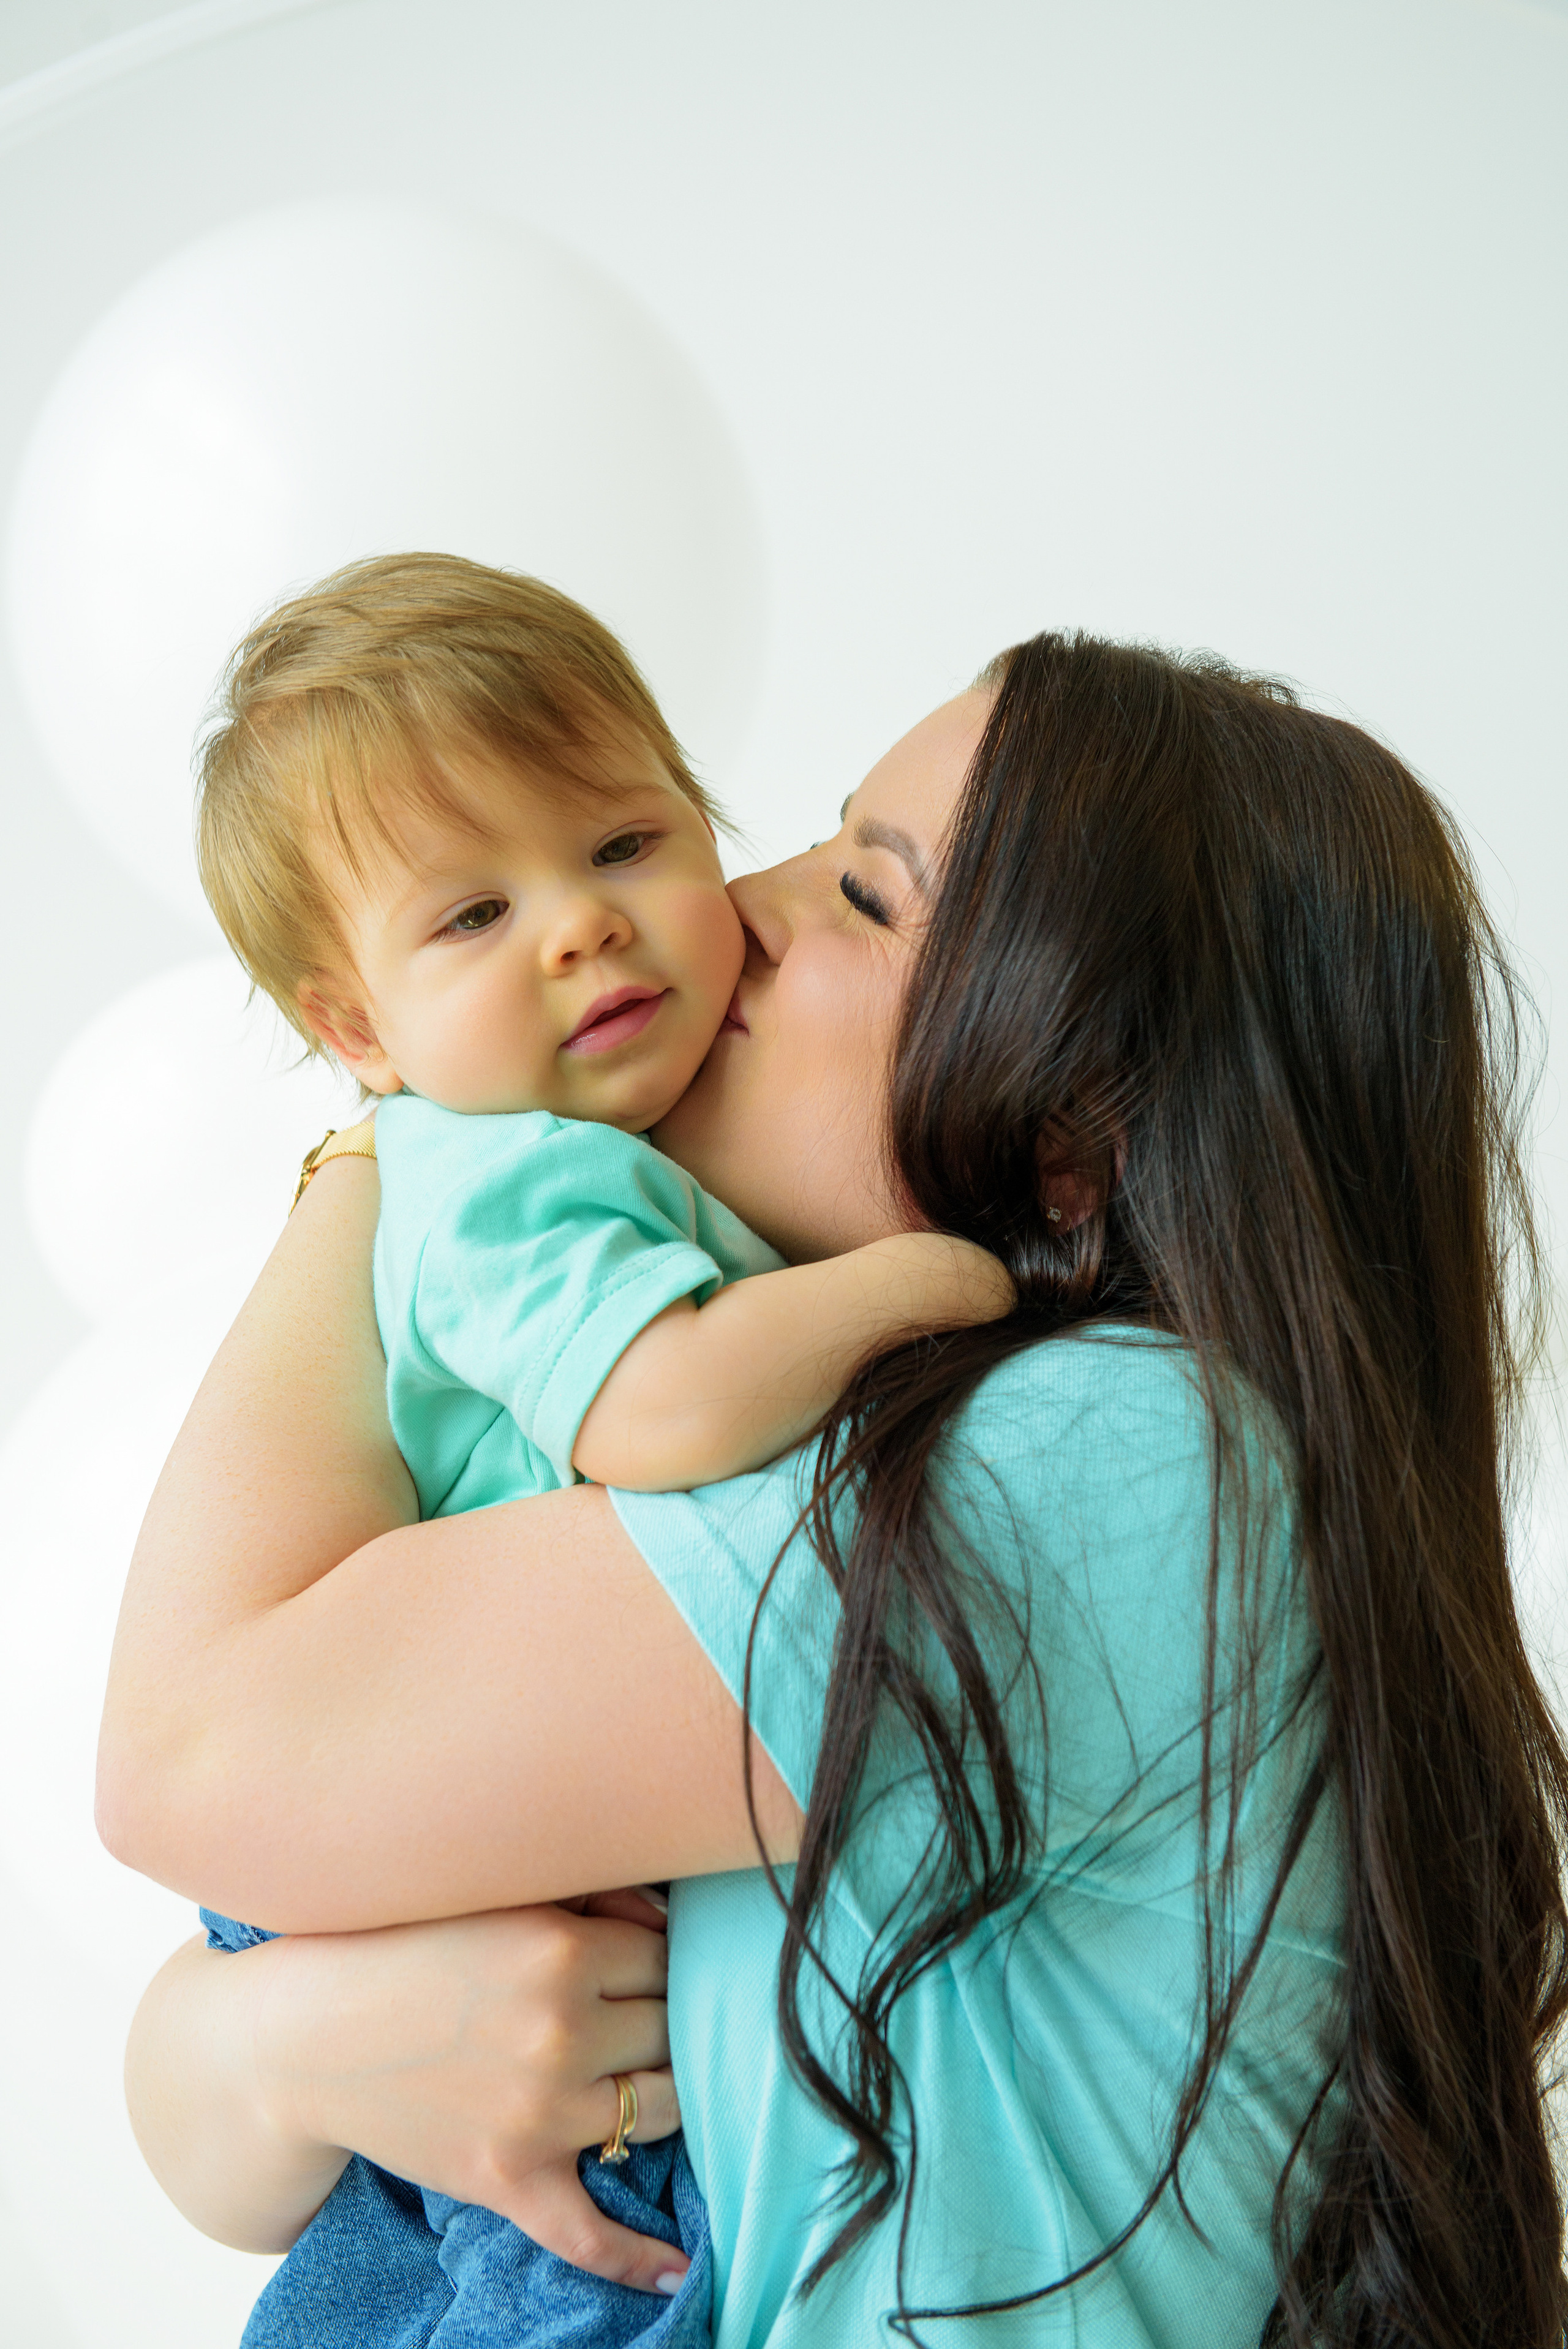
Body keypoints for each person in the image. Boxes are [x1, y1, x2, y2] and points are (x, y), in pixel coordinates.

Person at [102, 635, 1568, 2348]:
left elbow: (193, 1751)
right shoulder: (835, 1436)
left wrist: (411, 1109)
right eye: (813, 835)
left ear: (1073, 1138)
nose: (744, 901)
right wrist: (276, 2044)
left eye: (867, 897)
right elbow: (217, 2103)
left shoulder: (1128, 1461)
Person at [178, 551, 1012, 2346]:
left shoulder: (625, 1160)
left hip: (453, 1837)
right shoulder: (503, 1174)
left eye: (625, 844)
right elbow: (671, 1401)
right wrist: (921, 1280)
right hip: (426, 1857)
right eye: (471, 917)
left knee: (427, 2262)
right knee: (592, 2268)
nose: (579, 924)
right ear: (357, 1031)